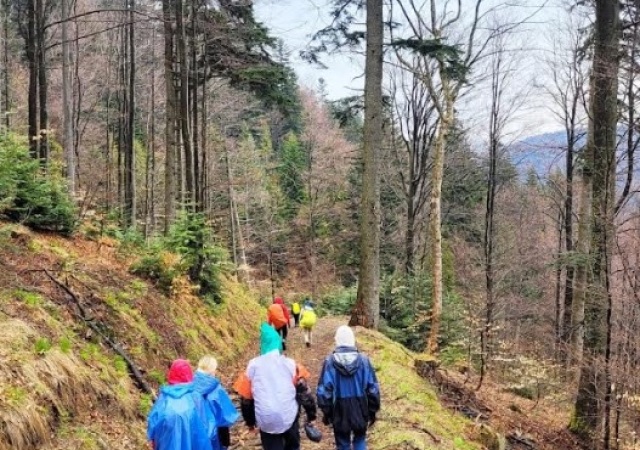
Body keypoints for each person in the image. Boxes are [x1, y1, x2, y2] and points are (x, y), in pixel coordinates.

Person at [234, 323, 317, 450]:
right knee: (292, 445)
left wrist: (250, 423)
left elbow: (246, 399)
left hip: (266, 419)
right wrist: (311, 415)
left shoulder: (252, 366)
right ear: (278, 344)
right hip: (289, 416)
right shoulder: (290, 364)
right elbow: (304, 393)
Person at [317, 326, 381, 450]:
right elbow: (373, 389)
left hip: (339, 411)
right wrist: (372, 411)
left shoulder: (329, 362)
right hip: (360, 408)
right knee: (360, 440)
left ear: (337, 340)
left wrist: (327, 413)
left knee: (342, 444)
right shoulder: (364, 361)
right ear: (352, 340)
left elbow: (324, 393)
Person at [147, 359, 211, 450]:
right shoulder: (196, 396)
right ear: (189, 373)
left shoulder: (164, 397)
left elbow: (153, 422)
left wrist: (154, 442)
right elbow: (206, 425)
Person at [193, 355, 239, 450]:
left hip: (195, 435)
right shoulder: (216, 389)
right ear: (213, 370)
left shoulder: (188, 386)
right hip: (215, 435)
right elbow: (226, 416)